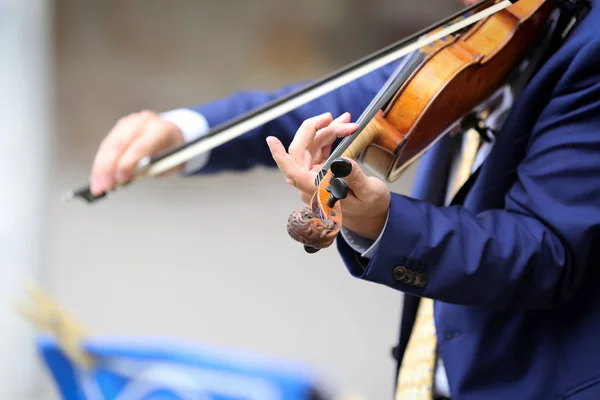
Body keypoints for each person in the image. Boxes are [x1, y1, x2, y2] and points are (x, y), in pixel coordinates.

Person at [86, 0, 600, 398]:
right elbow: (331, 105)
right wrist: (185, 133)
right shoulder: (501, 26)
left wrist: (382, 219)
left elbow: (547, 250)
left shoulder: (589, 47)